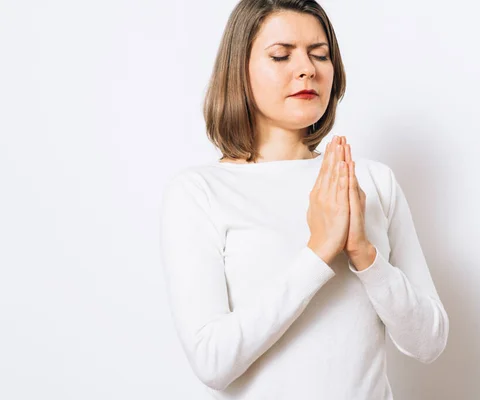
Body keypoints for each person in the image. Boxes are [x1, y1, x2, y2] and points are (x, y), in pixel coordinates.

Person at [159, 1, 449, 399]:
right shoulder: (199, 192)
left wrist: (364, 254)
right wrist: (318, 253)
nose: (307, 69)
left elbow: (429, 341)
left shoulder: (372, 182)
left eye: (320, 54)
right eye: (281, 55)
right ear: (238, 70)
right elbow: (212, 361)